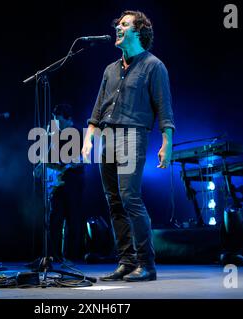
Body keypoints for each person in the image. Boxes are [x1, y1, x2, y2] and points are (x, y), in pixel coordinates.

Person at [82, 10, 175, 281]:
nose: (118, 28)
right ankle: (126, 261)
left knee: (129, 197)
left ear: (139, 32)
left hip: (133, 135)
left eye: (124, 25)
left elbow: (164, 108)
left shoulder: (154, 66)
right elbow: (98, 108)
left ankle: (147, 264)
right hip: (107, 138)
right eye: (118, 25)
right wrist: (89, 137)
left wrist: (166, 142)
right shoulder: (110, 69)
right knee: (113, 202)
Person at [35, 104, 86, 263]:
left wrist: (65, 166)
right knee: (54, 219)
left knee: (72, 219)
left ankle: (71, 256)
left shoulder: (78, 132)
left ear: (67, 118)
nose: (55, 121)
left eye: (58, 118)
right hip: (58, 183)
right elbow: (49, 156)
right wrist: (41, 165)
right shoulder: (55, 134)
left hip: (73, 182)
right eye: (54, 118)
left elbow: (84, 159)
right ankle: (54, 255)